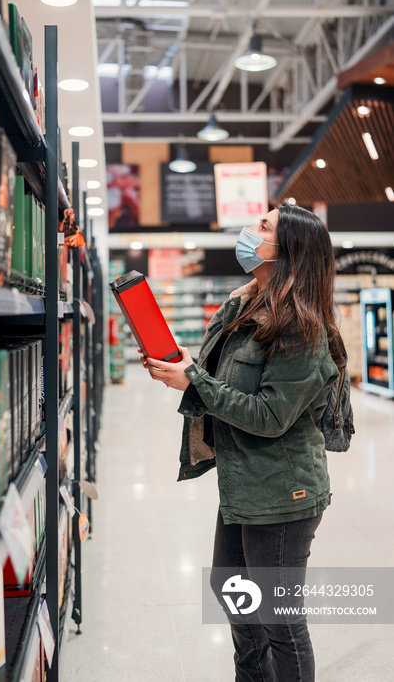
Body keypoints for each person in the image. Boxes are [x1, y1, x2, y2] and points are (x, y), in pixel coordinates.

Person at [140, 203, 347, 682]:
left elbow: (270, 416)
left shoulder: (302, 327)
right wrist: (181, 366)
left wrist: (194, 382)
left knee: (279, 616)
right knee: (231, 586)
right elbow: (223, 378)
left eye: (264, 226)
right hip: (245, 483)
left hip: (283, 491)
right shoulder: (244, 304)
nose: (251, 230)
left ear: (287, 249)